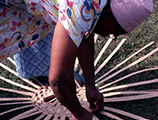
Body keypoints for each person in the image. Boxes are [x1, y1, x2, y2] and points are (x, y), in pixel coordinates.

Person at [0, 0, 153, 119]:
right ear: (107, 14)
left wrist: (90, 86)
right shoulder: (79, 10)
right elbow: (58, 80)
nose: (108, 36)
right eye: (113, 33)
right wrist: (79, 113)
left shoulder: (95, 7)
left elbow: (86, 30)